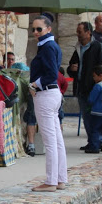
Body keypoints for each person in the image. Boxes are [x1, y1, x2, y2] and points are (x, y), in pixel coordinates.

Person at [28, 15, 67, 192]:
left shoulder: (48, 47)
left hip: (46, 94)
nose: (36, 32)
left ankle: (51, 181)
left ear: (48, 29)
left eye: (39, 29)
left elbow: (51, 73)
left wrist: (35, 84)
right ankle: (59, 178)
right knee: (56, 139)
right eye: (33, 29)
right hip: (52, 93)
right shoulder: (48, 46)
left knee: (50, 139)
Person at [73, 22, 102, 152]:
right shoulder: (78, 48)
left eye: (80, 32)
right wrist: (73, 69)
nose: (78, 34)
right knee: (87, 117)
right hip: (82, 86)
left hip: (94, 87)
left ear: (88, 33)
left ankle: (101, 141)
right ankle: (92, 141)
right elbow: (72, 65)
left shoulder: (97, 47)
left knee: (98, 117)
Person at [87, 66, 102, 154]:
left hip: (96, 111)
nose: (93, 78)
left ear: (100, 76)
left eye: (94, 76)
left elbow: (91, 99)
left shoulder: (98, 86)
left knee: (94, 129)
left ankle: (94, 146)